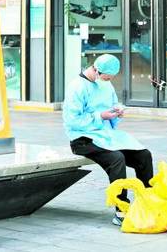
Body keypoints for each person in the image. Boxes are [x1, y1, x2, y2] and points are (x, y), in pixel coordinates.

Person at [63, 54, 154, 226]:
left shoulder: (105, 83)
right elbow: (72, 121)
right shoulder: (77, 87)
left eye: (110, 78)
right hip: (82, 139)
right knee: (116, 159)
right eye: (106, 78)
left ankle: (149, 201)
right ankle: (121, 210)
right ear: (96, 70)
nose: (108, 81)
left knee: (144, 155)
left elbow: (112, 105)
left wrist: (116, 111)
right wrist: (100, 116)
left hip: (106, 135)